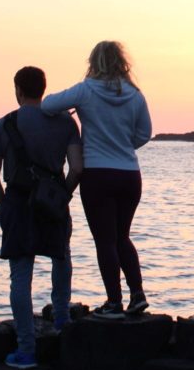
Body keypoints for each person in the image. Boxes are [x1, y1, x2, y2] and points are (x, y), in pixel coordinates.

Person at [42, 40, 152, 319]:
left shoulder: (86, 90)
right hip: (129, 174)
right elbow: (144, 134)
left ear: (94, 62)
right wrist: (123, 146)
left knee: (105, 240)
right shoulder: (135, 95)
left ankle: (114, 302)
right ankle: (137, 295)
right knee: (122, 236)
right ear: (121, 62)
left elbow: (47, 104)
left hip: (97, 174)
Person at [0, 66, 84, 368]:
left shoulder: (4, 125)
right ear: (43, 88)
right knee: (61, 258)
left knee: (20, 277)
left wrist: (5, 206)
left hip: (17, 201)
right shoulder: (65, 123)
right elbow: (77, 169)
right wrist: (62, 195)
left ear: (18, 89)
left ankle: (26, 350)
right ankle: (63, 324)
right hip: (52, 199)